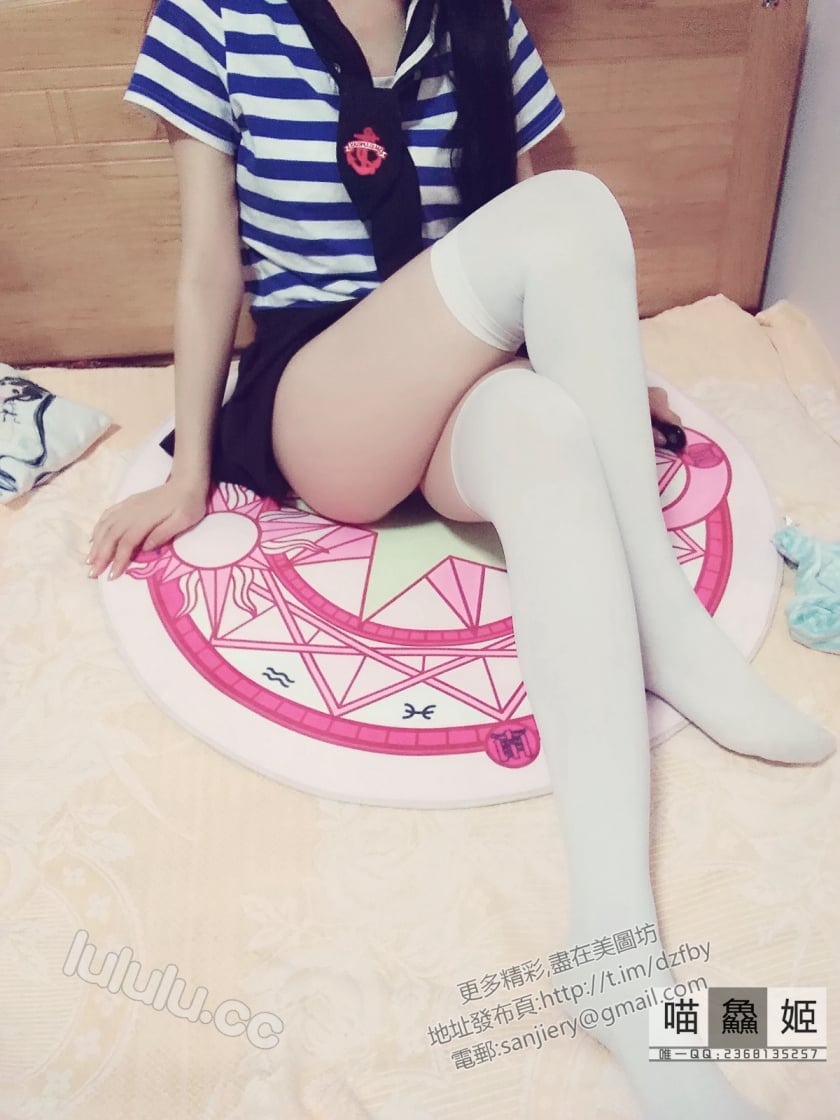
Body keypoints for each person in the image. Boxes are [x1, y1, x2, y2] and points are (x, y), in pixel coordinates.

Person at [89, 2, 834, 1116]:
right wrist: (189, 470)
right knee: (572, 205)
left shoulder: (477, 22)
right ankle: (669, 626)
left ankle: (616, 959)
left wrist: (605, 386)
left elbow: (531, 267)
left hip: (457, 382)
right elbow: (210, 270)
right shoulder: (218, 20)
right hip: (327, 399)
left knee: (547, 432)